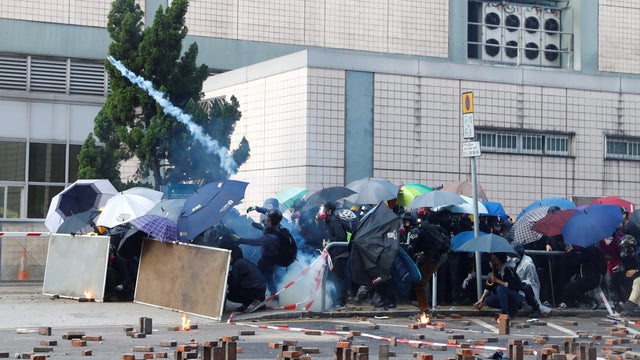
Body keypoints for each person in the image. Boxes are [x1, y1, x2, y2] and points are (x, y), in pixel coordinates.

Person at [231, 208, 285, 301]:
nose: (265, 217)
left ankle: (267, 299)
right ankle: (272, 298)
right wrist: (257, 208)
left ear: (271, 221)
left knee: (264, 279)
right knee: (264, 278)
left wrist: (239, 239)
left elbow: (256, 242)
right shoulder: (276, 224)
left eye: (267, 218)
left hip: (269, 261)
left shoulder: (272, 237)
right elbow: (267, 211)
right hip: (266, 258)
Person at [403, 211, 449, 316]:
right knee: (421, 283)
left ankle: (424, 311)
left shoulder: (417, 231)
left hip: (428, 259)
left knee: (420, 284)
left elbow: (412, 247)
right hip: (434, 259)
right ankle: (424, 308)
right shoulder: (433, 229)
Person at [318, 201, 352, 308]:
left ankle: (341, 302)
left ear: (328, 211)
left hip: (340, 254)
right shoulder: (328, 221)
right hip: (334, 254)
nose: (321, 211)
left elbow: (340, 237)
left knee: (338, 278)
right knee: (333, 277)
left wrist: (329, 243)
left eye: (323, 209)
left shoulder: (334, 221)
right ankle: (336, 300)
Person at [473, 253, 524, 319]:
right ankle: (510, 309)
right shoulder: (496, 270)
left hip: (517, 296)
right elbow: (489, 286)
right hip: (507, 296)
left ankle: (504, 313)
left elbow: (512, 286)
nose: (493, 262)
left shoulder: (508, 269)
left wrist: (497, 280)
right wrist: (481, 299)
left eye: (494, 260)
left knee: (500, 288)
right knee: (488, 300)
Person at [557, 244, 604, 310]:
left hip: (590, 278)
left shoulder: (589, 250)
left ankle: (590, 301)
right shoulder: (595, 249)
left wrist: (570, 250)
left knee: (569, 288)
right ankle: (571, 302)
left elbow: (577, 261)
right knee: (573, 288)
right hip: (594, 277)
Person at [511, 242, 551, 317]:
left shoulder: (528, 264)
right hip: (516, 286)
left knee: (526, 287)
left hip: (529, 288)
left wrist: (520, 284)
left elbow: (532, 282)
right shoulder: (512, 260)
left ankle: (536, 309)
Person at [226, 246, 266, 312]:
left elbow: (235, 282)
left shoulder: (237, 264)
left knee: (231, 294)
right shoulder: (242, 261)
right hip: (260, 290)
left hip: (255, 290)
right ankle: (252, 303)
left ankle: (254, 302)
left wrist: (228, 280)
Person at [616, 235, 640, 314]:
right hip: (635, 277)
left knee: (638, 281)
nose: (624, 250)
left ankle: (631, 305)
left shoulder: (638, 253)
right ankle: (630, 308)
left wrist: (636, 271)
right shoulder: (627, 256)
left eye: (625, 248)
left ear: (631, 248)